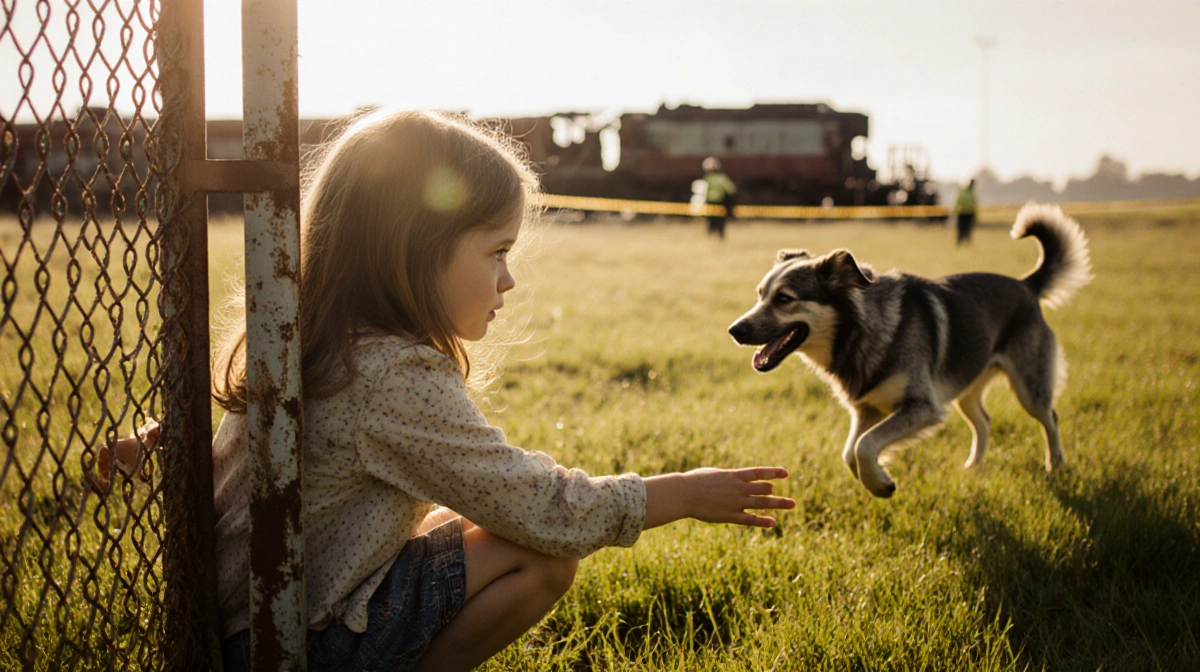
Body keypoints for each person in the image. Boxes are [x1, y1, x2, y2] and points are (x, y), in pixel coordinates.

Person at [92, 110, 794, 672]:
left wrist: (159, 438)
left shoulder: (301, 330)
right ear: (412, 247)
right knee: (541, 552)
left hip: (251, 617)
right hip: (299, 643)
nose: (509, 282)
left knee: (469, 522)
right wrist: (683, 494)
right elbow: (544, 511)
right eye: (497, 253)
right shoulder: (392, 375)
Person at [701, 156, 737, 239]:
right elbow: (731, 190)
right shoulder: (722, 178)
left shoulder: (707, 179)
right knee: (721, 222)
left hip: (709, 204)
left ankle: (709, 237)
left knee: (710, 222)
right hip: (721, 204)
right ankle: (720, 238)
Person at [953, 178, 978, 245]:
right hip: (963, 213)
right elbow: (958, 202)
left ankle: (967, 243)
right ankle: (960, 242)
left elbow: (974, 204)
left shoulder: (971, 192)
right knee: (961, 229)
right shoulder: (966, 192)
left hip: (968, 213)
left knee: (968, 229)